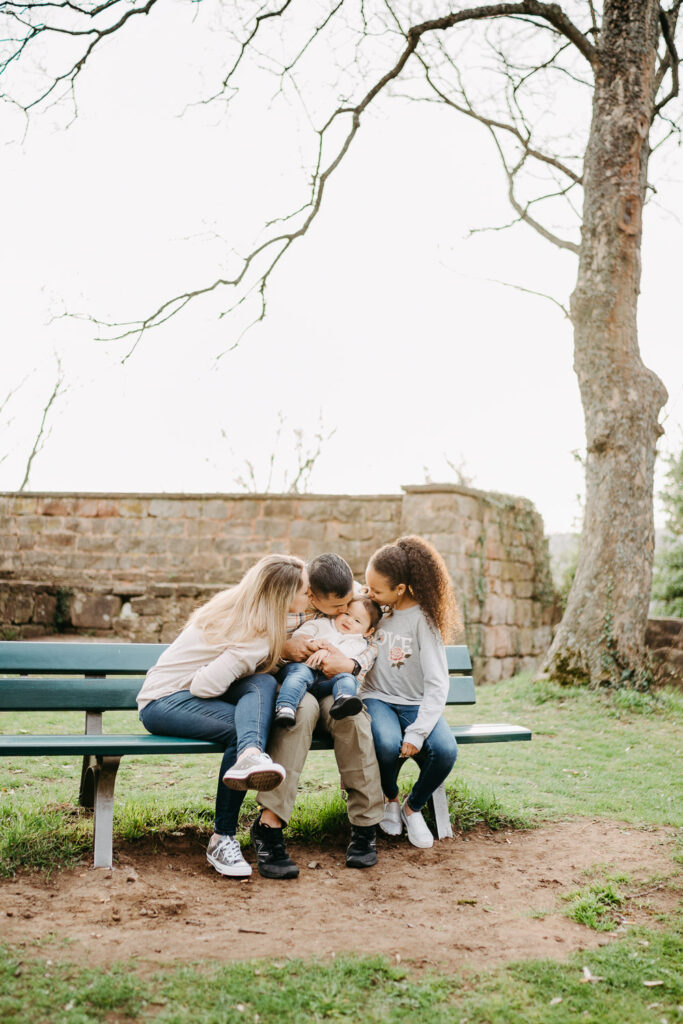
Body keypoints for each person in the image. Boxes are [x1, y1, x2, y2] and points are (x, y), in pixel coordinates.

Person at [136, 554, 309, 879]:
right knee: (242, 729)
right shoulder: (254, 633)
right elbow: (204, 686)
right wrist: (263, 652)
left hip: (188, 692)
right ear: (284, 597)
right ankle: (222, 838)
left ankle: (249, 754)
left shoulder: (249, 609)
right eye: (305, 592)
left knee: (262, 683)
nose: (309, 597)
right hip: (164, 701)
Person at [250, 552, 386, 880]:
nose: (344, 612)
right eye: (337, 608)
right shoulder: (282, 597)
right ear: (312, 594)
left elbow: (371, 636)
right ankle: (270, 824)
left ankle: (366, 825)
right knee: (299, 713)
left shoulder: (350, 594)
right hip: (295, 684)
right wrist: (283, 649)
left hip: (335, 685)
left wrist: (351, 665)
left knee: (351, 718)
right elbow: (252, 644)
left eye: (347, 606)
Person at [361, 535, 460, 849]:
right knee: (386, 744)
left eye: (376, 590)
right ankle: (389, 798)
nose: (369, 594)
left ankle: (412, 807)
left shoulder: (423, 620)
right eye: (367, 587)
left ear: (400, 589)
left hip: (415, 703)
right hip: (376, 698)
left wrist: (418, 732)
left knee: (445, 751)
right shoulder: (375, 610)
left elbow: (437, 683)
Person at [274, 596, 382, 726]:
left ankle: (344, 699)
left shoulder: (359, 643)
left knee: (347, 677)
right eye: (347, 614)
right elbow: (301, 634)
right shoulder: (322, 623)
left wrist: (326, 652)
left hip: (325, 681)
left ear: (368, 631)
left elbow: (344, 656)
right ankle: (285, 707)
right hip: (303, 668)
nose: (349, 620)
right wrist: (314, 644)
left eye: (357, 621)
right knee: (300, 673)